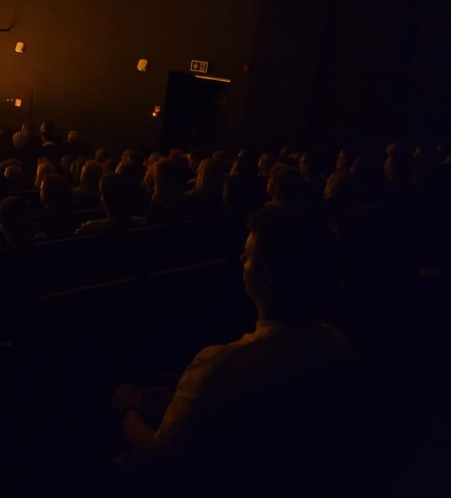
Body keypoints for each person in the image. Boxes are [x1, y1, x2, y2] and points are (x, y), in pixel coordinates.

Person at [112, 206, 358, 497]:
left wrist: (125, 411)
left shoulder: (221, 366)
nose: (241, 259)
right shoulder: (337, 344)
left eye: (248, 255)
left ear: (265, 277)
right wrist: (180, 403)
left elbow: (159, 458)